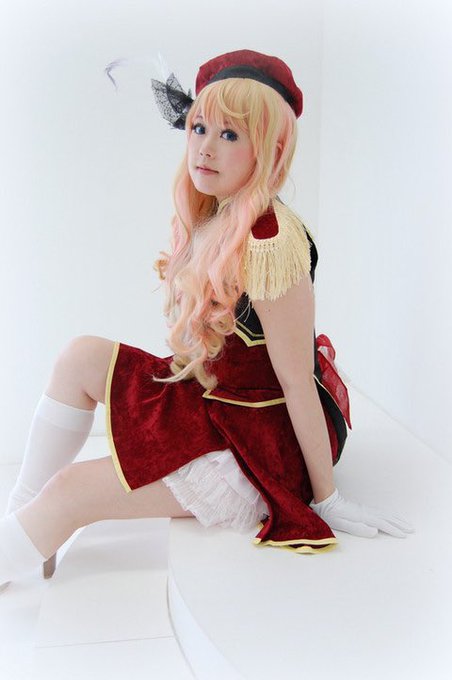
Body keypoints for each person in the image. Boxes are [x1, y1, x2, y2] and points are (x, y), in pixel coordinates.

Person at [0, 49, 412, 591]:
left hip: (256, 441)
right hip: (216, 398)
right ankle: (23, 522)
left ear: (271, 148)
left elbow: (296, 382)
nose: (206, 147)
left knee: (71, 491)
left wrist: (327, 498)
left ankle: (28, 532)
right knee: (80, 356)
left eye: (230, 134)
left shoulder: (270, 241)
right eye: (199, 128)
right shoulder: (221, 211)